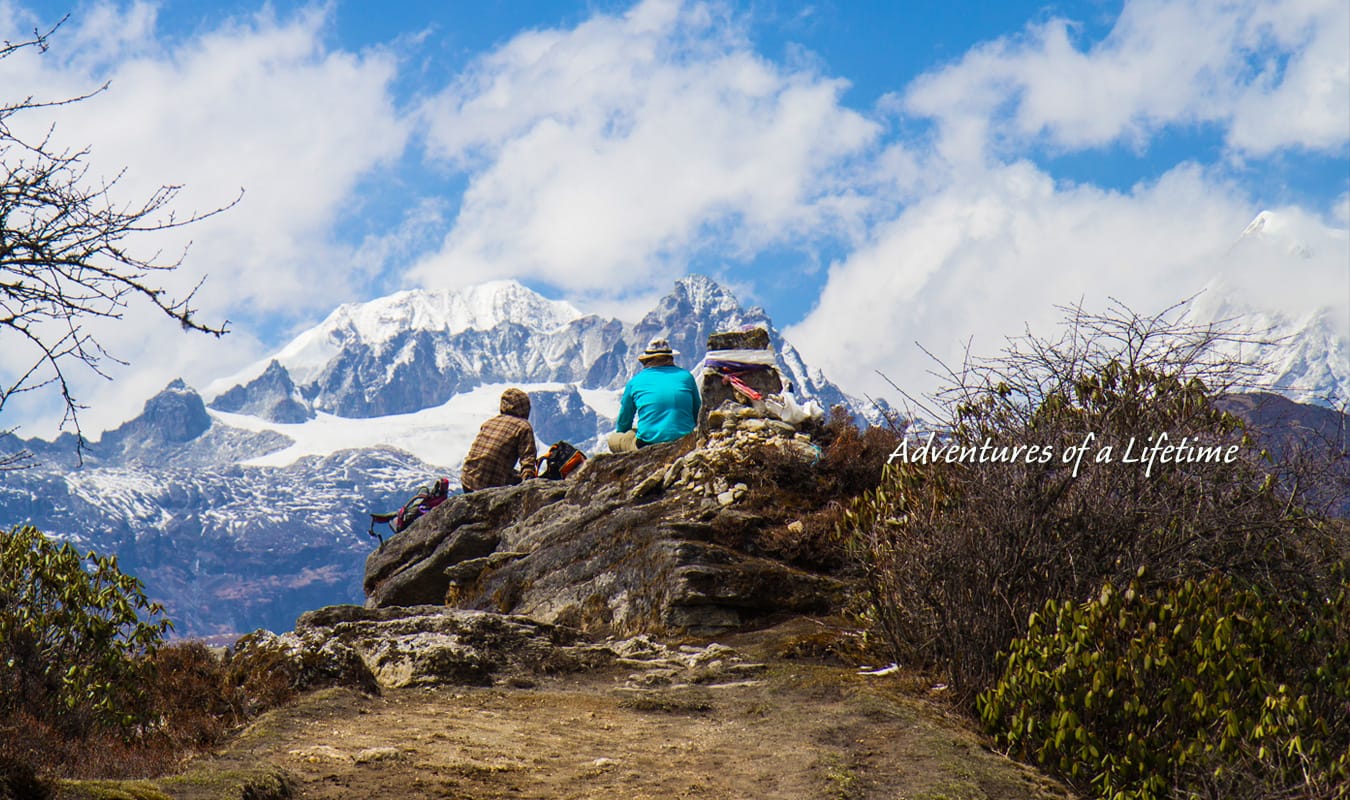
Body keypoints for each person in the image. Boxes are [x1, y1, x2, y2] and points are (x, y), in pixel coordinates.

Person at [608, 337, 701, 453]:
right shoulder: (686, 377)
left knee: (614, 439)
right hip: (685, 440)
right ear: (670, 358)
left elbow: (624, 421)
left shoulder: (635, 382)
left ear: (646, 361)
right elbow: (698, 413)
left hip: (648, 444)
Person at [461, 388, 538, 492]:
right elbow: (528, 458)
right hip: (491, 482)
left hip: (467, 478)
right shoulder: (523, 427)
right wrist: (529, 483)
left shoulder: (490, 422)